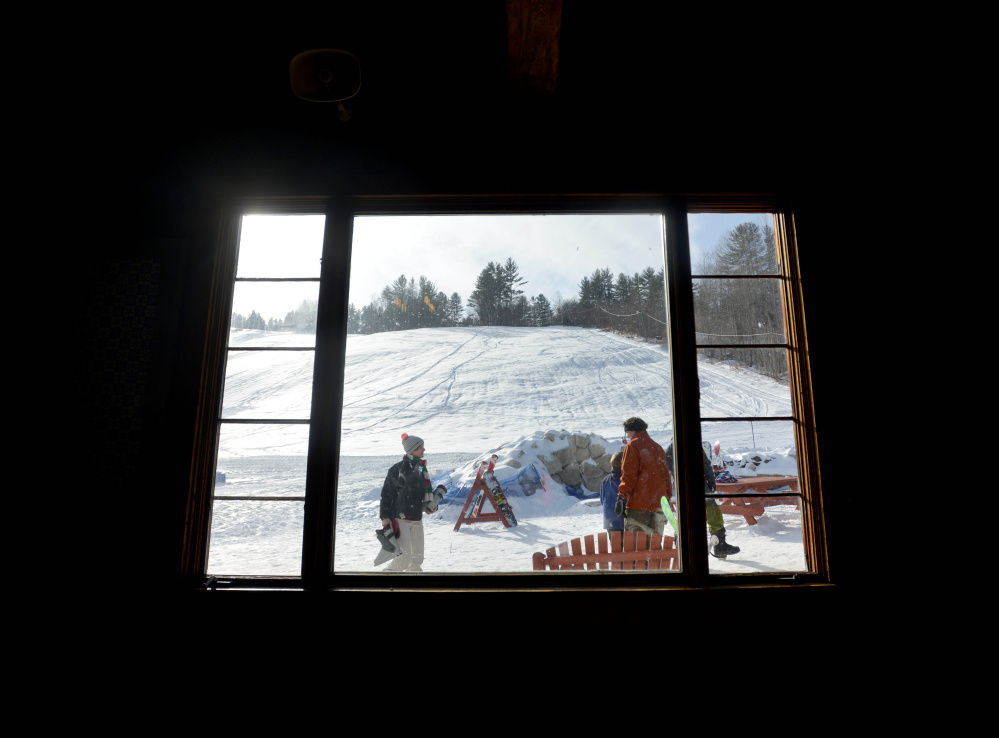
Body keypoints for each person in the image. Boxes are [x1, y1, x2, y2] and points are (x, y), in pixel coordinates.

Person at [664, 439, 740, 559]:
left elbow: (706, 464)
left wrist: (711, 480)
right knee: (686, 520)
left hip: (702, 488)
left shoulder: (693, 444)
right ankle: (682, 551)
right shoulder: (672, 448)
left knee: (714, 515)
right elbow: (668, 467)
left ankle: (720, 546)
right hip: (684, 490)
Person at [379, 432, 441, 572]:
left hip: (416, 517)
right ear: (411, 450)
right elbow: (387, 495)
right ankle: (382, 583)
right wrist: (385, 517)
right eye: (420, 447)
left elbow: (420, 494)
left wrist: (429, 506)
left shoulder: (421, 468)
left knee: (416, 559)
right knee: (403, 558)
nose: (423, 450)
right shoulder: (397, 469)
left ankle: (414, 586)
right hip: (401, 518)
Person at [616, 417, 672, 537]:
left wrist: (622, 497)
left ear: (633, 430)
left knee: (637, 548)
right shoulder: (658, 447)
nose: (627, 435)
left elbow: (629, 476)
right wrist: (666, 500)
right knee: (654, 548)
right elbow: (667, 477)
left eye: (627, 432)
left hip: (638, 506)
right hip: (659, 506)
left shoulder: (633, 446)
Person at [600, 451, 625, 538]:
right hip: (622, 519)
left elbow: (602, 500)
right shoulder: (626, 479)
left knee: (615, 548)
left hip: (609, 519)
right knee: (627, 548)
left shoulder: (605, 480)